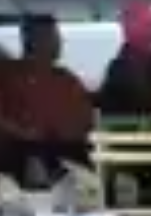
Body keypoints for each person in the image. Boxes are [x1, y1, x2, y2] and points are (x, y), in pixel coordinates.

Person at [3, 17, 95, 181]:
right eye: (53, 37)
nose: (59, 43)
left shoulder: (66, 78)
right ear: (33, 40)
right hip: (23, 151)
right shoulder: (9, 76)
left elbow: (87, 119)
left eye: (57, 37)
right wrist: (22, 132)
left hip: (69, 150)